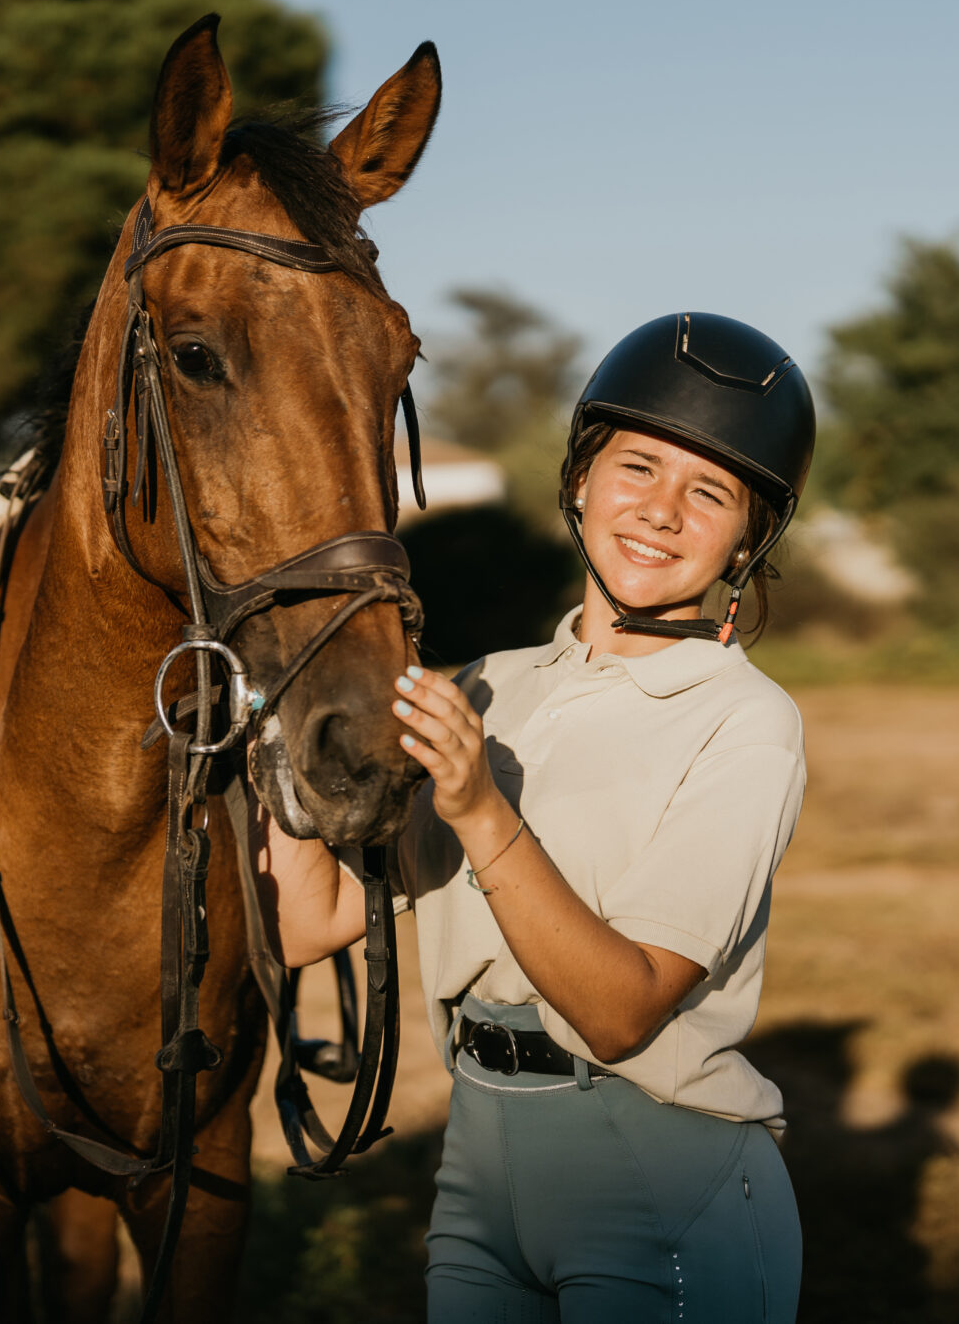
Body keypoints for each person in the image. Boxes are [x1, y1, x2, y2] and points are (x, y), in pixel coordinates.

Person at [265, 312, 816, 1322]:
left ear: (749, 536)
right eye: (636, 468)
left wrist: (479, 809)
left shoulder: (746, 723)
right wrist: (284, 737)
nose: (661, 510)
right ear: (577, 482)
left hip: (662, 1175)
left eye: (710, 491)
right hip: (478, 1163)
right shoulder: (485, 688)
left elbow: (621, 1010)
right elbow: (309, 924)